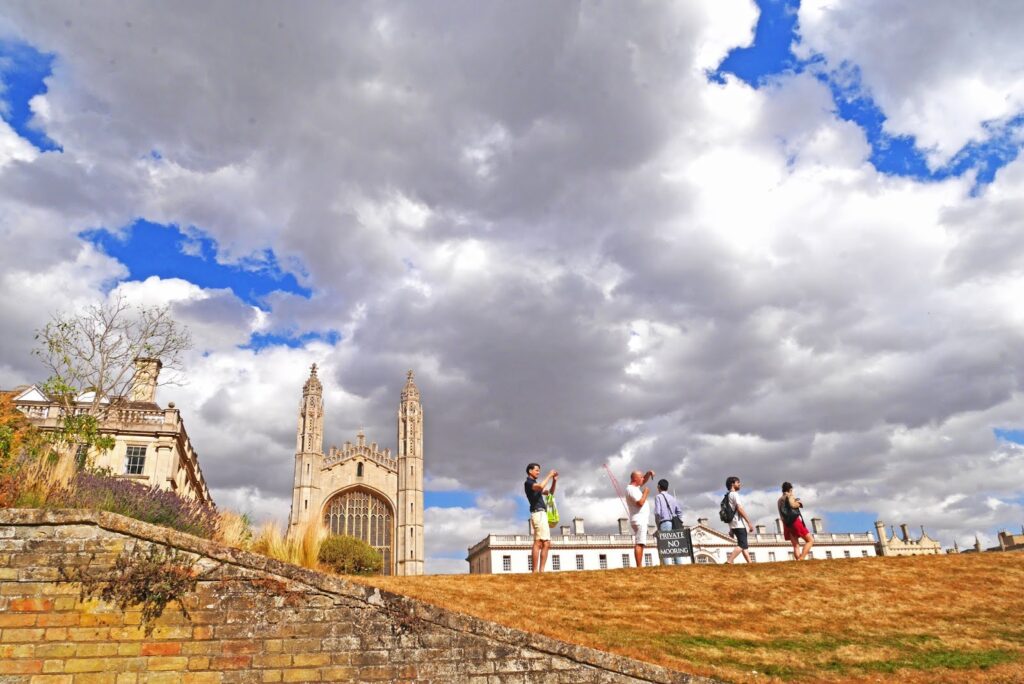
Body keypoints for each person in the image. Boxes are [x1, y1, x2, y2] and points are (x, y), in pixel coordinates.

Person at [524, 463, 557, 573]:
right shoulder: (529, 483)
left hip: (542, 514)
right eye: (537, 470)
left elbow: (550, 493)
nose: (538, 472)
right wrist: (549, 475)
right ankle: (535, 571)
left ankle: (541, 571)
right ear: (530, 471)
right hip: (537, 513)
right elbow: (541, 486)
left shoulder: (534, 484)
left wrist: (554, 480)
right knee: (538, 542)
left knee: (546, 543)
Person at [625, 470, 655, 567]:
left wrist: (648, 474)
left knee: (641, 542)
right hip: (639, 519)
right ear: (635, 479)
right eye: (641, 477)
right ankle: (639, 566)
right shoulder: (631, 490)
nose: (643, 478)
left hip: (639, 518)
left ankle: (640, 565)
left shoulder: (633, 488)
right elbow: (640, 503)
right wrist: (645, 493)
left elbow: (643, 481)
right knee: (640, 543)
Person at [778, 481, 814, 560]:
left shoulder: (779, 500)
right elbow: (792, 504)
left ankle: (798, 561)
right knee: (810, 540)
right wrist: (799, 503)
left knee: (796, 545)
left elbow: (781, 514)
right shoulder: (790, 495)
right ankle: (801, 559)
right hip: (795, 521)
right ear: (790, 489)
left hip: (786, 523)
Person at [654, 479, 685, 566]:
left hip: (664, 522)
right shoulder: (672, 498)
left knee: (665, 546)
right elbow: (679, 511)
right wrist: (678, 521)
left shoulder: (658, 497)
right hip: (674, 523)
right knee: (675, 546)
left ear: (659, 487)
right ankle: (679, 565)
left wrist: (658, 524)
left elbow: (658, 512)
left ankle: (667, 567)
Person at [724, 475, 754, 564]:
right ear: (732, 484)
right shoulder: (734, 494)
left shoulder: (727, 496)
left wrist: (730, 529)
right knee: (742, 544)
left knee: (744, 545)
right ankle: (729, 561)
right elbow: (739, 508)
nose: (740, 484)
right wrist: (749, 522)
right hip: (739, 523)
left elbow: (728, 512)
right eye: (738, 482)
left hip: (733, 524)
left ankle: (750, 562)